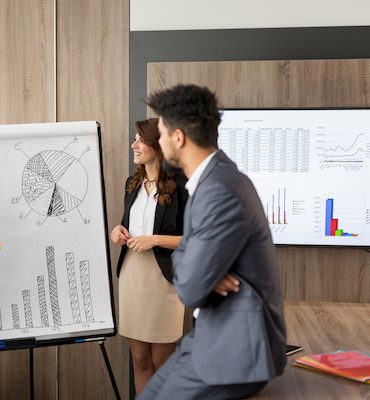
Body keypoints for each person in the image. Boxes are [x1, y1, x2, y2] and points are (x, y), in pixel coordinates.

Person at [139, 84, 287, 400]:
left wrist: (196, 266)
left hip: (233, 354)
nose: (159, 142)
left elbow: (191, 289)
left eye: (162, 133)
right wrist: (198, 263)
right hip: (209, 337)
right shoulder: (213, 180)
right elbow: (193, 269)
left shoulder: (218, 190)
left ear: (178, 138)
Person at [110, 118, 188, 393]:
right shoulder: (132, 184)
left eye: (140, 140)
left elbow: (197, 238)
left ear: (159, 144)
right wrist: (117, 232)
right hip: (132, 278)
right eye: (135, 139)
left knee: (162, 362)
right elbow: (127, 226)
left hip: (163, 281)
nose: (134, 145)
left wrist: (154, 239)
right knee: (140, 361)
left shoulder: (182, 185)